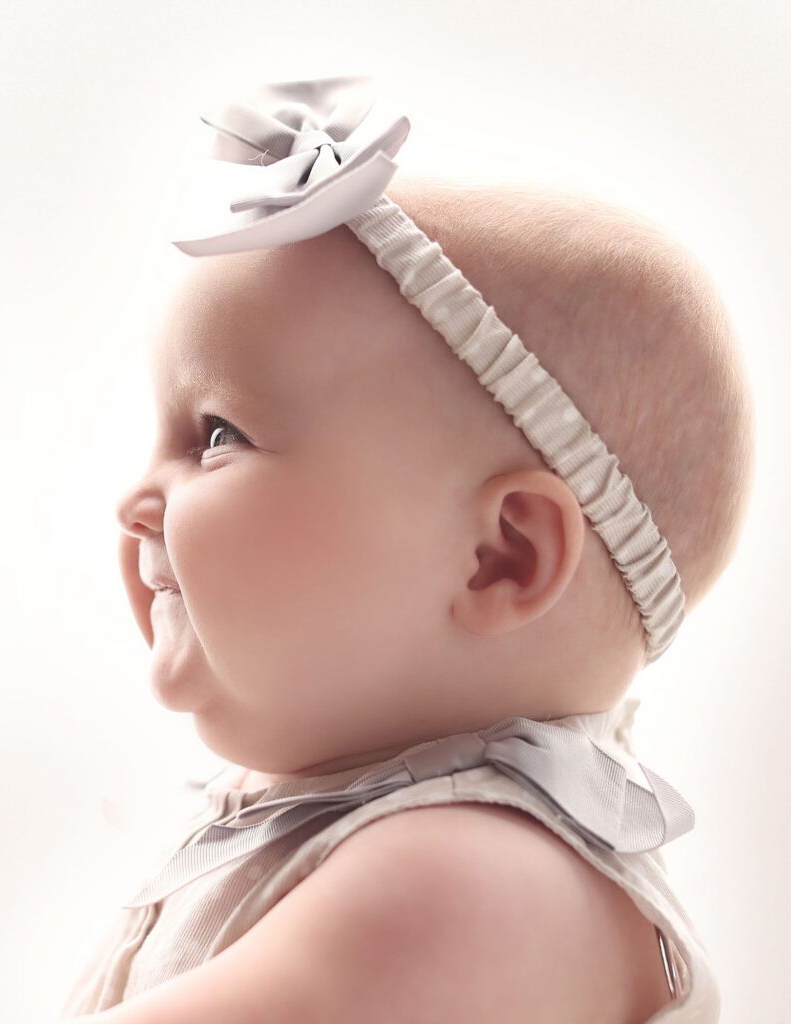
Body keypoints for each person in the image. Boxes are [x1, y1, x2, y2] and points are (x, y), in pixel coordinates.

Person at [58, 77, 754, 1023]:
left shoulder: (469, 885)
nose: (137, 500)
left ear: (499, 558)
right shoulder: (338, 825)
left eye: (218, 435)